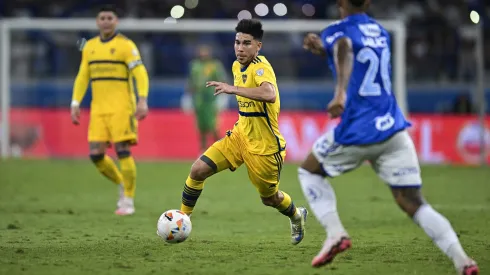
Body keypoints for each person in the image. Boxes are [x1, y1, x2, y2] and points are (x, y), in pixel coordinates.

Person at [300, 0, 479, 274]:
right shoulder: (380, 31)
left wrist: (339, 93)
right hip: (393, 128)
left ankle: (335, 233)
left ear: (339, 3)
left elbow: (345, 47)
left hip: (358, 129)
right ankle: (463, 261)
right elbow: (355, 53)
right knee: (413, 202)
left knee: (309, 171)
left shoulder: (337, 31)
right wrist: (324, 49)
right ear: (368, 2)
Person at [179, 19, 308, 244]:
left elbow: (270, 94)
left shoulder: (261, 67)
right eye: (237, 42)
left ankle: (297, 215)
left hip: (265, 148)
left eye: (246, 43)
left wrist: (233, 89)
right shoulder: (236, 66)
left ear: (258, 46)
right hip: (239, 136)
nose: (240, 48)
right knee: (197, 170)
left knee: (270, 199)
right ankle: (182, 220)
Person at [70, 5, 149, 216]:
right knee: (96, 155)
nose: (106, 21)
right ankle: (122, 182)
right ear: (97, 21)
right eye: (102, 18)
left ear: (116, 21)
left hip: (122, 108)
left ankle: (128, 200)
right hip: (98, 109)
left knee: (123, 151)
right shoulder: (90, 47)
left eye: (110, 17)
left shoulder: (126, 46)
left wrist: (142, 100)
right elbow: (82, 76)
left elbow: (140, 73)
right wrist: (75, 103)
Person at [187, 45, 227, 152]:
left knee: (214, 127)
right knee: (201, 128)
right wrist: (188, 97)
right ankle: (203, 151)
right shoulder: (194, 65)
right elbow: (191, 82)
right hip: (199, 101)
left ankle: (221, 149)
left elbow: (222, 80)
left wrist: (222, 97)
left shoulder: (215, 65)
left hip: (211, 100)